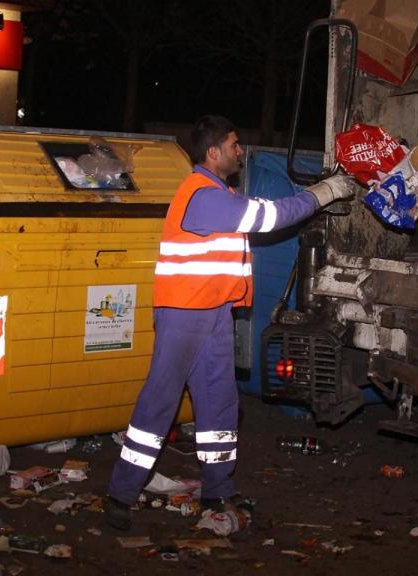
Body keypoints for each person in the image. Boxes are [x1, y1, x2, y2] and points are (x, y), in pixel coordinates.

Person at [104, 115, 354, 530]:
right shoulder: (203, 196)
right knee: (158, 406)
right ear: (213, 152)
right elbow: (270, 217)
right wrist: (322, 193)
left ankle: (217, 490)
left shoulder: (217, 193)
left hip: (215, 314)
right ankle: (120, 494)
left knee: (220, 405)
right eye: (235, 145)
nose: (241, 151)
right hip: (184, 316)